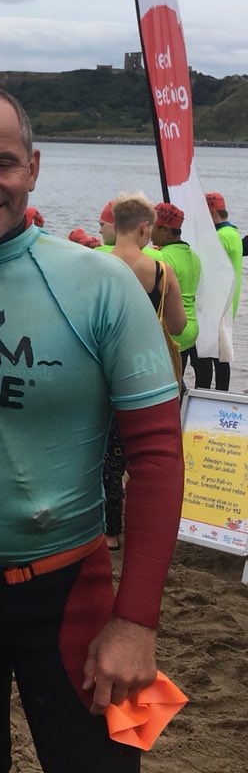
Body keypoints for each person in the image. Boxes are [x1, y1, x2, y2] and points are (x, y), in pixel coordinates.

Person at [0, 84, 184, 773]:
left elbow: (156, 453)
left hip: (70, 590)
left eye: (3, 161)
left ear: (33, 166)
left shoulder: (101, 283)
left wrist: (137, 619)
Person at [102, 192, 186, 551]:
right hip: (148, 375)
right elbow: (178, 325)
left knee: (107, 458)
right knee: (148, 459)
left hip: (104, 374)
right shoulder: (160, 269)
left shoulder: (94, 263)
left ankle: (109, 532)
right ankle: (143, 533)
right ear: (144, 227)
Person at [190, 191, 242, 391]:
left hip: (217, 303)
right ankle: (221, 394)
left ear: (212, 214)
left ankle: (206, 393)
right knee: (220, 353)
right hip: (227, 302)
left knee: (209, 353)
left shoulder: (220, 237)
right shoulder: (234, 234)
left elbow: (203, 266)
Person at [146, 201, 201, 373]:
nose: (148, 231)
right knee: (178, 380)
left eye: (152, 226)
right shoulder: (194, 256)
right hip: (190, 327)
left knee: (166, 384)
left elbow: (122, 250)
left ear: (166, 230)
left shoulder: (160, 256)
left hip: (173, 328)